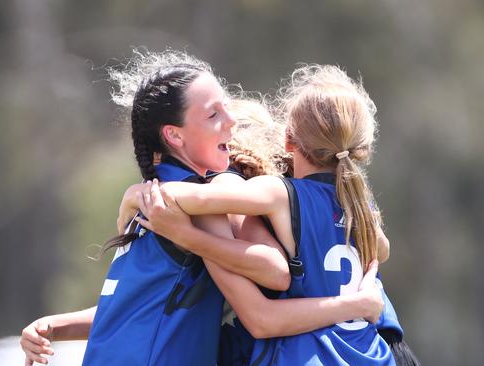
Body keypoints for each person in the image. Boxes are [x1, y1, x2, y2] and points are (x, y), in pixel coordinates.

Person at [20, 50, 385, 366]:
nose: (230, 122)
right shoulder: (187, 195)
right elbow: (142, 308)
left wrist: (58, 326)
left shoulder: (168, 198)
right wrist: (58, 326)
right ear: (174, 135)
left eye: (227, 109)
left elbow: (270, 271)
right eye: (214, 115)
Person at [125, 64, 399, 365]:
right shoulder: (359, 201)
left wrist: (136, 196)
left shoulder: (280, 193)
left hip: (315, 355)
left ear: (289, 140)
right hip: (372, 353)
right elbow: (381, 251)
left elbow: (196, 196)